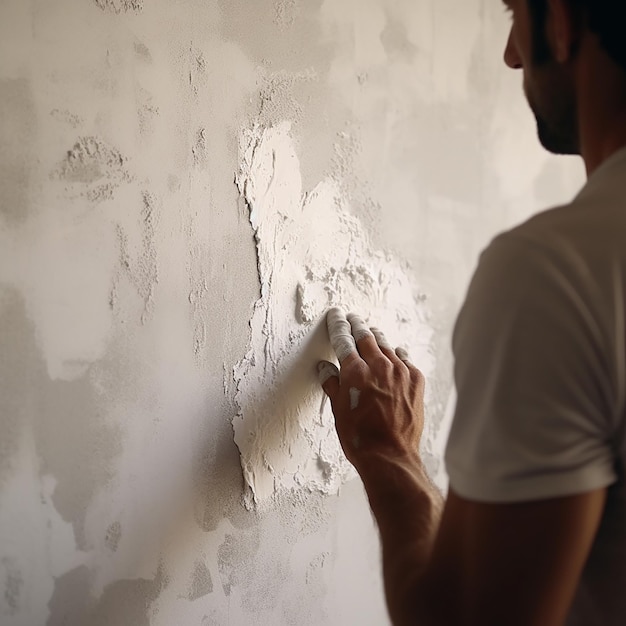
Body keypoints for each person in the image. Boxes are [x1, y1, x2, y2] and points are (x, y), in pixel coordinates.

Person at [317, 1, 626, 624]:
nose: (512, 54)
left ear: (561, 24)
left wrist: (388, 452)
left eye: (516, 13)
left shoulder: (556, 272)